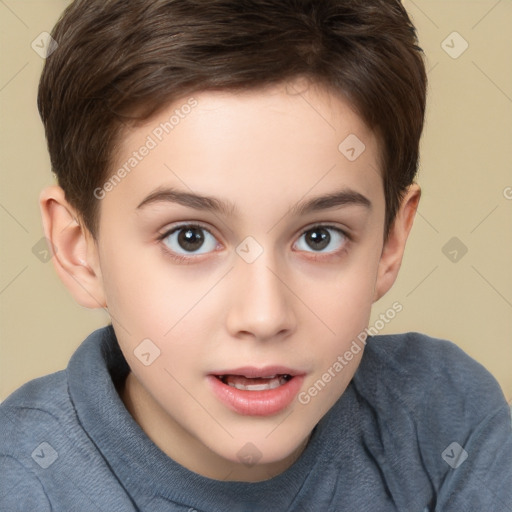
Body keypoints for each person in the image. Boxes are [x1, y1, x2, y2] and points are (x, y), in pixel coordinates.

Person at [1, 0, 511, 510]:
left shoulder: (445, 420)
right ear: (78, 250)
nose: (264, 317)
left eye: (319, 237)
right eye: (190, 238)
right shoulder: (21, 484)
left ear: (389, 243)